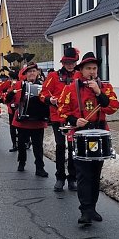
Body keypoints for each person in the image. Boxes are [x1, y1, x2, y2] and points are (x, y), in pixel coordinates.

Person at [57, 52, 119, 226]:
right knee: (83, 174)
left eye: (94, 68)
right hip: (80, 134)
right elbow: (61, 110)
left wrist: (99, 92)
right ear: (81, 70)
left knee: (95, 174)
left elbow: (113, 107)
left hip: (99, 134)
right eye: (88, 69)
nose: (92, 72)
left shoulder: (105, 87)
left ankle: (92, 207)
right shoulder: (71, 88)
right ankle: (85, 210)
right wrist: (74, 120)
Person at [41, 47, 80, 191]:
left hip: (73, 118)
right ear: (63, 63)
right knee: (60, 146)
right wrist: (49, 100)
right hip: (58, 117)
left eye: (73, 62)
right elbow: (43, 93)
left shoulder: (79, 76)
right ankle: (60, 177)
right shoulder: (53, 76)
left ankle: (72, 178)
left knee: (73, 148)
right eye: (68, 62)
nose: (70, 65)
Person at [9, 63, 49, 176]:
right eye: (29, 72)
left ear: (38, 73)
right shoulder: (19, 85)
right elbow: (9, 97)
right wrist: (13, 96)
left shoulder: (43, 85)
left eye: (34, 71)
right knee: (21, 144)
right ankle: (22, 162)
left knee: (38, 146)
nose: (32, 73)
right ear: (25, 74)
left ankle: (40, 168)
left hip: (38, 121)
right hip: (23, 121)